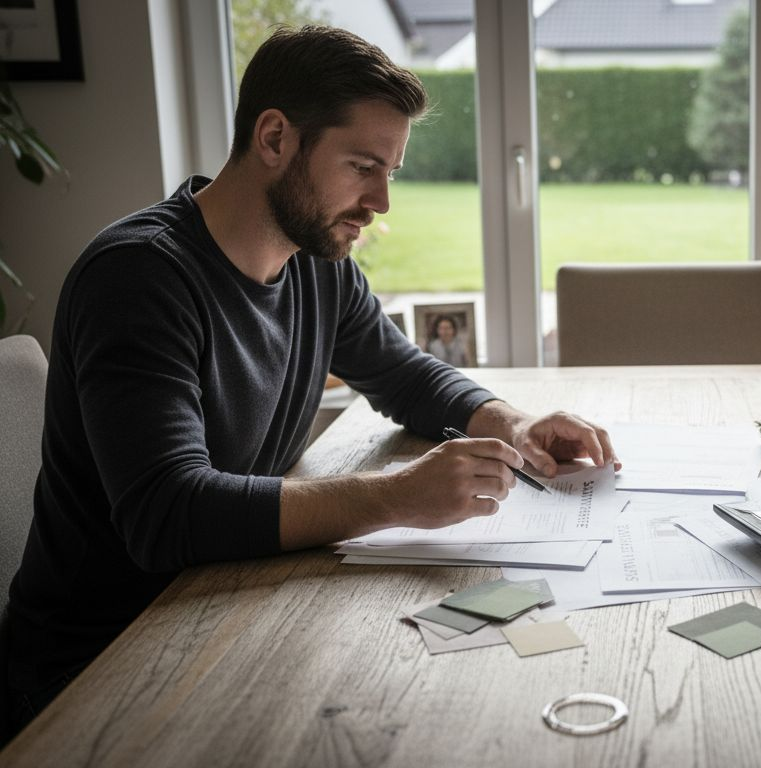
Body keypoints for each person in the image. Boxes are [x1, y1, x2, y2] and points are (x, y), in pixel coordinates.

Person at [3, 25, 618, 734]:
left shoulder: (316, 265)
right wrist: (395, 496)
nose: (382, 202)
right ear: (274, 139)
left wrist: (510, 421)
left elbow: (403, 374)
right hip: (98, 672)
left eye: (390, 172)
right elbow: (166, 514)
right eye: (362, 166)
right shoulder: (138, 279)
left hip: (221, 606)